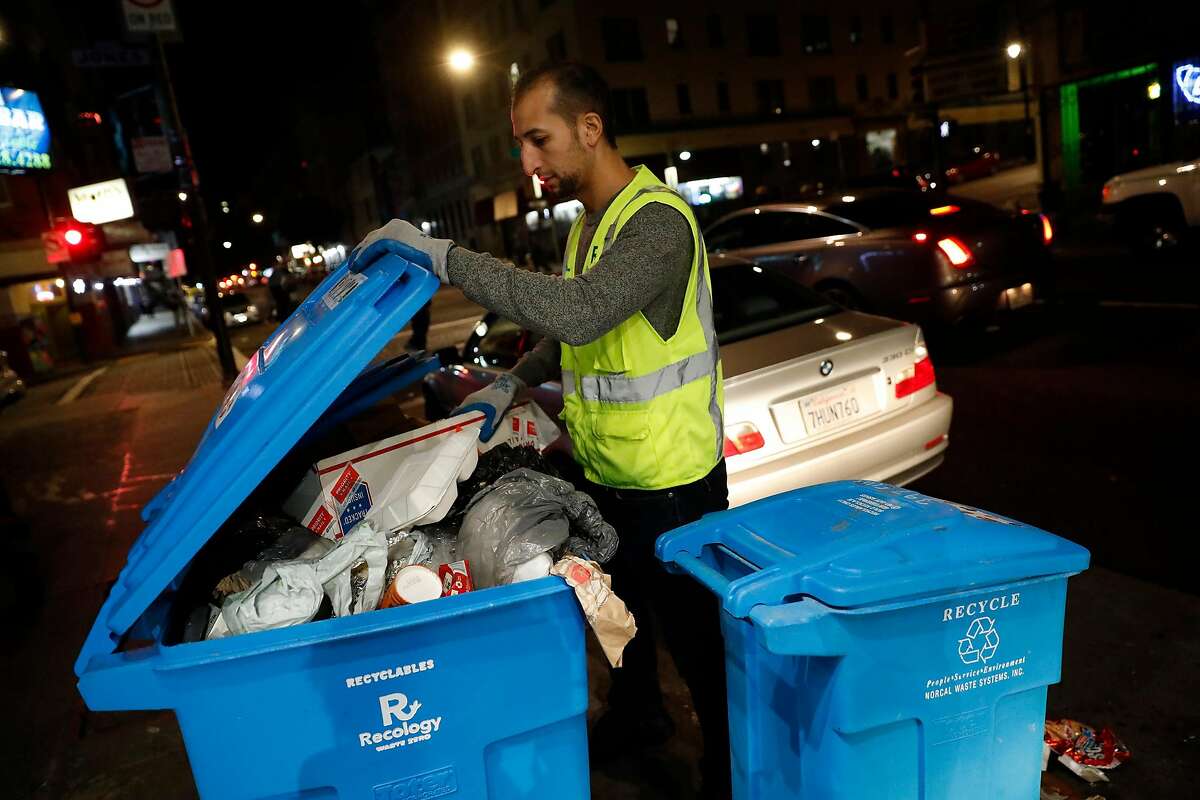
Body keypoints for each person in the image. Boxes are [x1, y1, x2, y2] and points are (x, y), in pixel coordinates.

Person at [347, 61, 730, 797]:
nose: (527, 162)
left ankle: (729, 774)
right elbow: (584, 336)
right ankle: (639, 716)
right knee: (619, 614)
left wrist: (445, 256)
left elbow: (580, 311)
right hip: (609, 468)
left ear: (590, 129)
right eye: (520, 144)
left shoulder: (657, 223)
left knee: (700, 648)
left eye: (538, 139)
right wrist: (512, 382)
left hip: (672, 481)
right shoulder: (591, 225)